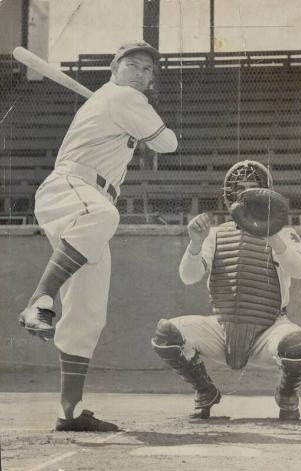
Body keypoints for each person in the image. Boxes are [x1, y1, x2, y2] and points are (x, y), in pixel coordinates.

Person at [19, 40, 178, 432]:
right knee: (102, 214)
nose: (141, 74)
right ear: (114, 67)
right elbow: (169, 143)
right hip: (71, 187)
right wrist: (141, 128)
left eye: (147, 70)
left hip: (91, 194)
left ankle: (69, 413)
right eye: (134, 65)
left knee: (89, 310)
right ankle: (38, 302)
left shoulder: (116, 102)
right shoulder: (122, 97)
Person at [152, 160, 301, 420]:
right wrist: (195, 243)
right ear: (230, 196)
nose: (246, 195)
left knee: (298, 346)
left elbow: (300, 270)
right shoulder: (215, 234)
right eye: (240, 189)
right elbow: (188, 276)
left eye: (253, 189)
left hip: (269, 329)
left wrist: (272, 235)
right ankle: (205, 391)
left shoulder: (285, 233)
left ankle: (286, 395)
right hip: (221, 328)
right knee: (166, 334)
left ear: (266, 193)